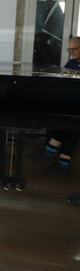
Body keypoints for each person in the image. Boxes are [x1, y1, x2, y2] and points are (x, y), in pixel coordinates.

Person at [26, 36, 80, 176]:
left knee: (71, 122)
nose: (72, 52)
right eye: (70, 49)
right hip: (74, 104)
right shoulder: (72, 63)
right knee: (66, 119)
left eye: (75, 49)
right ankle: (61, 161)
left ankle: (52, 153)